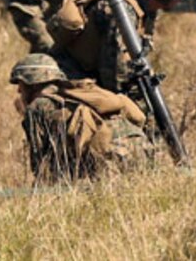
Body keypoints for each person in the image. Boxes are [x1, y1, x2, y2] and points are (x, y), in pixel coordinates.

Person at [47, 0, 189, 96]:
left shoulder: (146, 7)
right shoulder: (123, 13)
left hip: (92, 75)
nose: (178, 1)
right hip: (71, 75)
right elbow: (112, 72)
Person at [9, 53, 154, 183]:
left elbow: (40, 165)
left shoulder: (38, 106)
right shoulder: (80, 93)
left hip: (112, 164)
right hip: (143, 152)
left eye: (21, 84)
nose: (19, 90)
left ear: (31, 84)